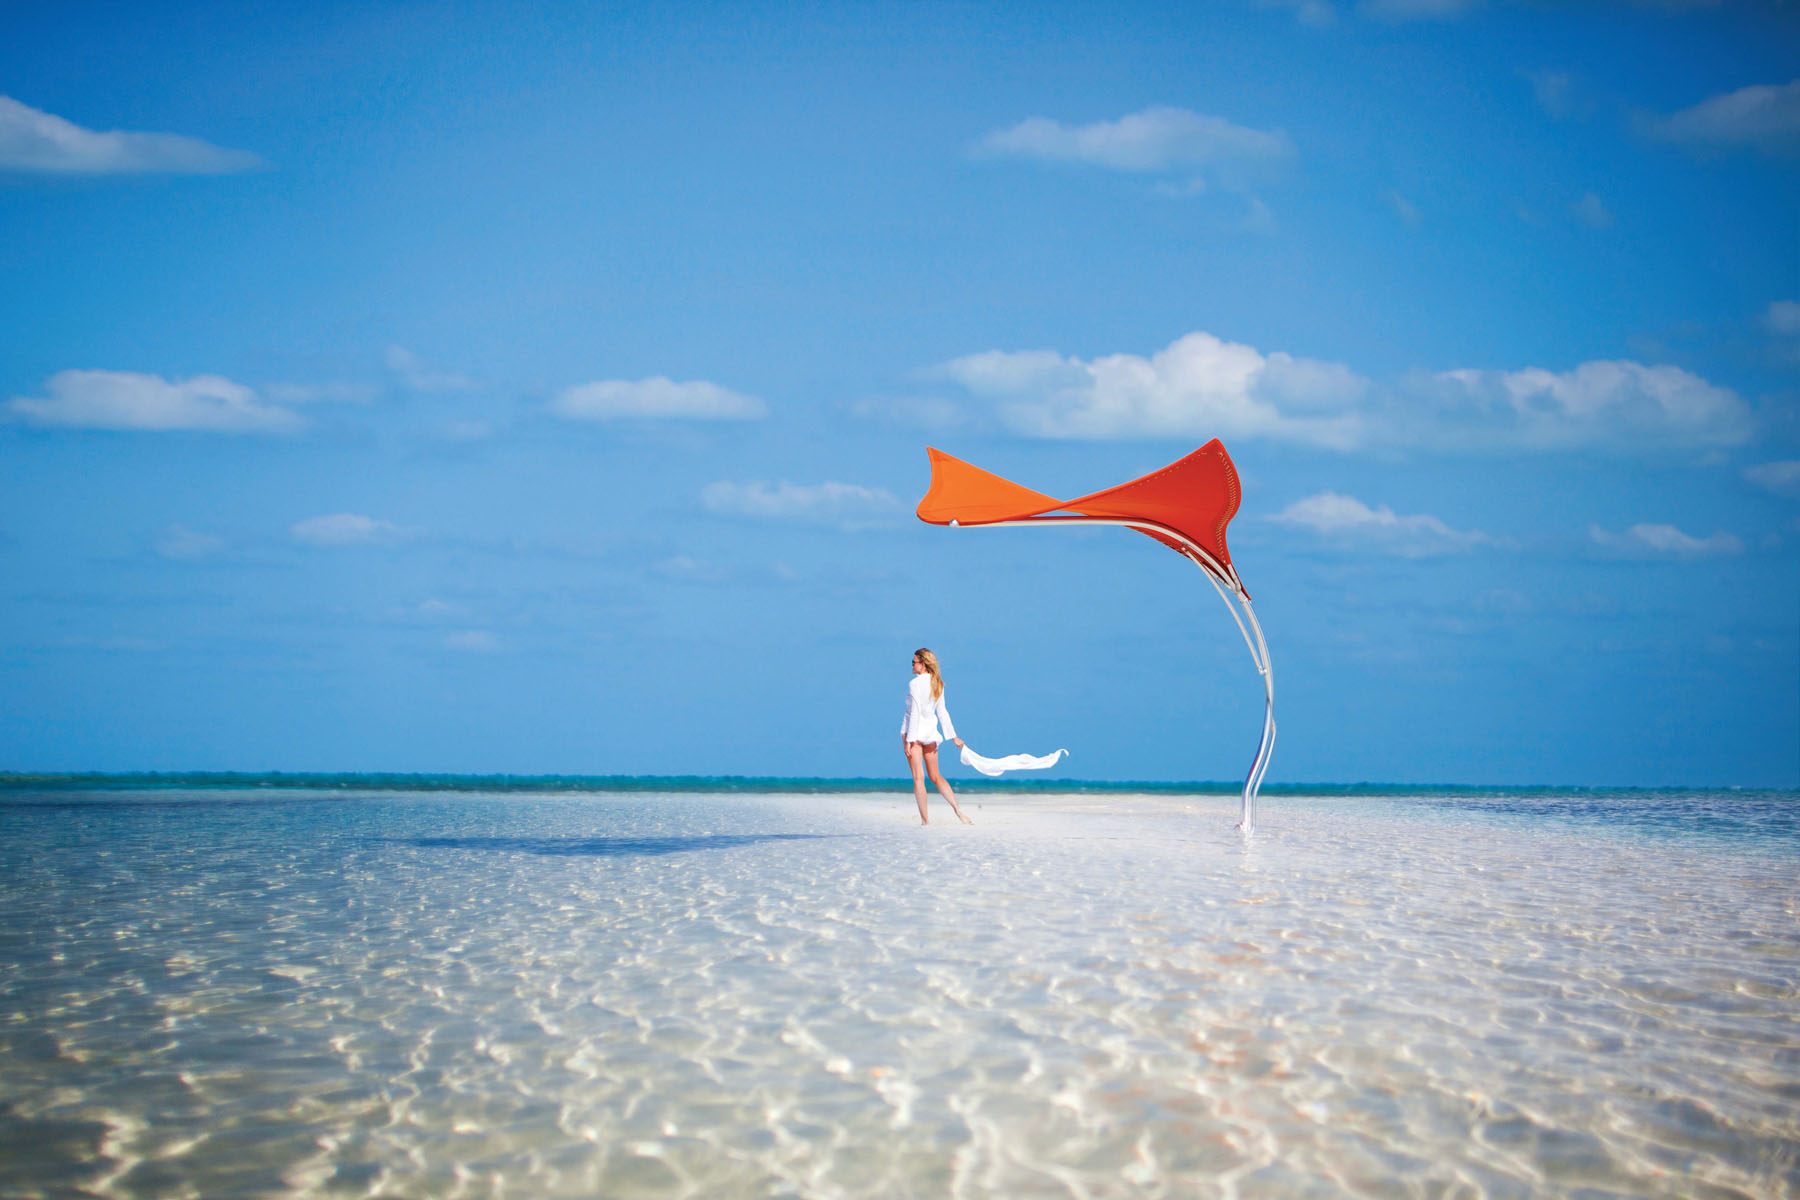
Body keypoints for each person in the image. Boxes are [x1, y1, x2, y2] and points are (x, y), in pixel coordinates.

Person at [901, 648, 972, 825]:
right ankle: (957, 809)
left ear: (922, 664)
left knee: (919, 778)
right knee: (936, 777)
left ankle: (925, 822)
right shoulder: (937, 682)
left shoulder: (915, 684)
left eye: (914, 662)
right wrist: (953, 737)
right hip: (931, 734)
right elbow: (943, 713)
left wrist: (909, 739)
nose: (912, 665)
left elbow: (914, 713)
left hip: (915, 734)